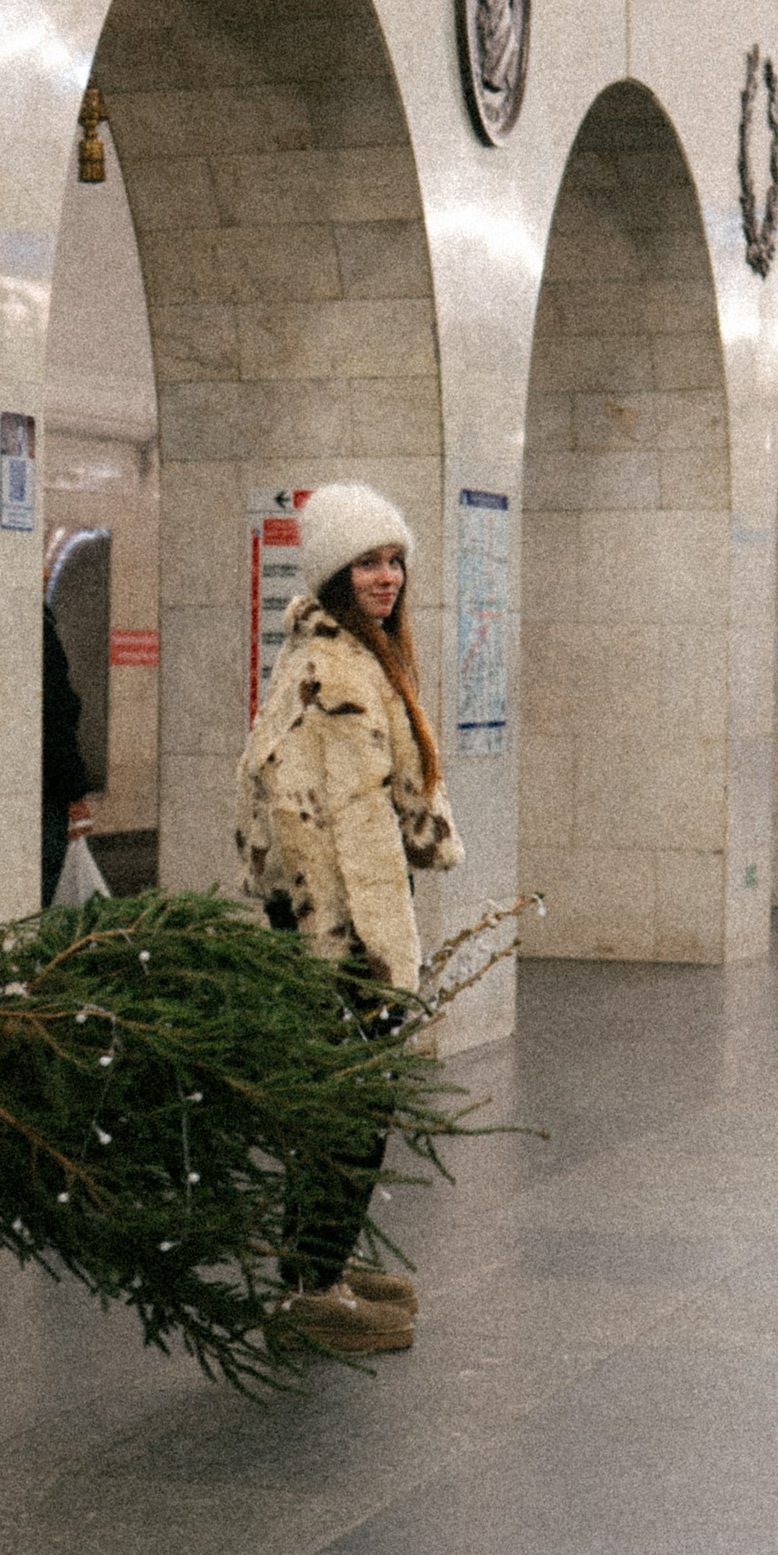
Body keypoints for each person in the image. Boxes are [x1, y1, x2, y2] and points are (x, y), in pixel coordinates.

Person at [236, 483, 461, 1357]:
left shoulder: (345, 656)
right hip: (342, 934)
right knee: (349, 1108)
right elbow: (332, 832)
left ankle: (318, 1263)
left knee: (347, 1105)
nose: (387, 576)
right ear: (332, 573)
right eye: (367, 562)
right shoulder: (333, 672)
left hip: (331, 929)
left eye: (394, 558)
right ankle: (311, 1287)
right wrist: (371, 955)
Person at [40, 595, 95, 905]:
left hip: (39, 784)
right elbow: (57, 715)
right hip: (48, 793)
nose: (47, 573)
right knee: (49, 881)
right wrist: (74, 793)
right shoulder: (40, 632)